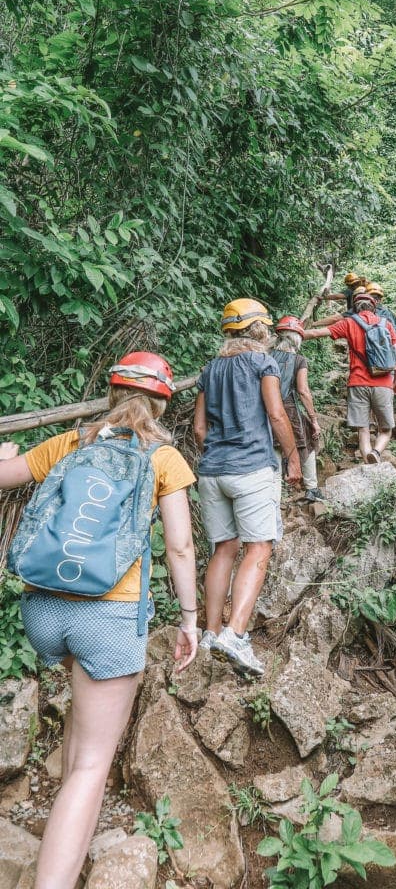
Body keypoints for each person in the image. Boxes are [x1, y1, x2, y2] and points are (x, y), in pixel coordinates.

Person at [0, 351, 198, 889]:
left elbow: (4, 477)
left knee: (80, 710)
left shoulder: (71, 443)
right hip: (107, 616)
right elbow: (179, 546)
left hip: (42, 609)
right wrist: (189, 618)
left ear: (111, 394)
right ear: (163, 400)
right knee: (92, 765)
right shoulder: (163, 456)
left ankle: (63, 816)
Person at [193, 298, 302, 676]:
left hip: (212, 471)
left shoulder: (210, 369)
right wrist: (292, 456)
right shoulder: (263, 362)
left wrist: (217, 454)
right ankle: (235, 635)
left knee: (223, 548)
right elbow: (275, 413)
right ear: (259, 329)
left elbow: (198, 429)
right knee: (259, 546)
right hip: (252, 468)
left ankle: (209, 632)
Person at [304, 291, 396, 464]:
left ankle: (368, 463)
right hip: (384, 383)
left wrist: (292, 330)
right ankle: (377, 452)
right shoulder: (386, 324)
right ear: (375, 307)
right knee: (386, 430)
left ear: (355, 308)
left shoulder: (349, 323)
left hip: (358, 383)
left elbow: (316, 333)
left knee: (363, 430)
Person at [271, 315, 324, 504]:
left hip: (265, 408)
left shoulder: (265, 357)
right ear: (298, 339)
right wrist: (314, 419)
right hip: (288, 407)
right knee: (307, 438)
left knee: (274, 445)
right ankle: (312, 488)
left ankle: (273, 499)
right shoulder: (298, 360)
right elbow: (303, 391)